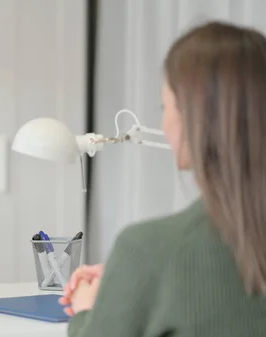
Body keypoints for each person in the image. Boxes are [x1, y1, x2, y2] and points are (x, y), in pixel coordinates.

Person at [60, 20, 266, 336]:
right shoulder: (152, 257)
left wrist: (88, 307)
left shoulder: (147, 249)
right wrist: (131, 280)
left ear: (192, 118)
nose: (163, 122)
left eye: (165, 106)